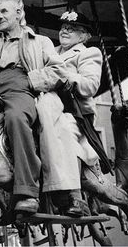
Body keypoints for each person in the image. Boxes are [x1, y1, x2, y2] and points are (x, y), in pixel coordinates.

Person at [0, 0, 68, 213]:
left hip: (21, 87)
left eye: (4, 11)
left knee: (15, 118)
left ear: (18, 13)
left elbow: (59, 71)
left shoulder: (39, 41)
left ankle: (27, 191)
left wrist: (31, 80)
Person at [36, 11, 111, 217]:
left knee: (64, 129)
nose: (64, 31)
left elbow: (89, 86)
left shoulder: (89, 53)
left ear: (83, 35)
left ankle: (74, 195)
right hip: (46, 104)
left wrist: (62, 75)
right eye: (63, 27)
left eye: (71, 28)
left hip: (73, 111)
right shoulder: (50, 51)